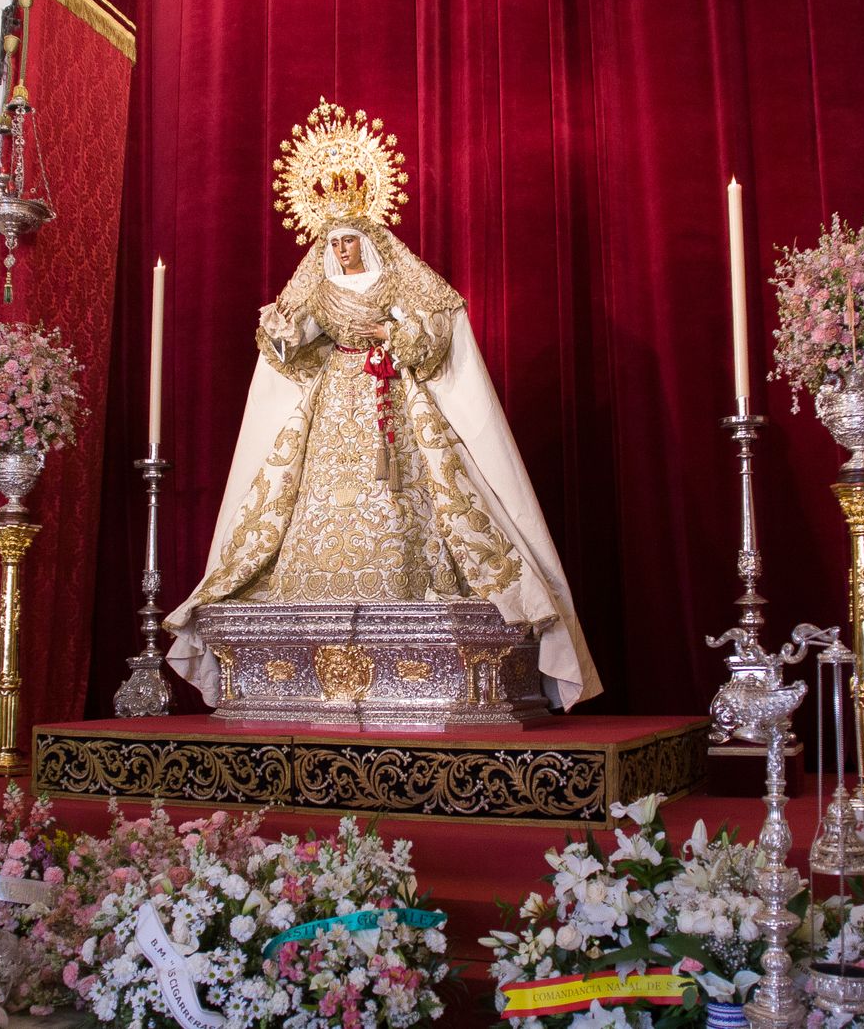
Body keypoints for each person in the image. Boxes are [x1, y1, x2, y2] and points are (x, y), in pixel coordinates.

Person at [163, 206, 601, 712]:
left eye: (347, 241)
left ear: (366, 243)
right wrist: (281, 331)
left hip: (387, 393)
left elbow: (429, 337)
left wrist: (389, 336)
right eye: (332, 243)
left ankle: (411, 575)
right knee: (311, 492)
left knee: (411, 491)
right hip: (333, 397)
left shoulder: (394, 282)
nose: (338, 250)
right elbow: (296, 343)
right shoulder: (321, 290)